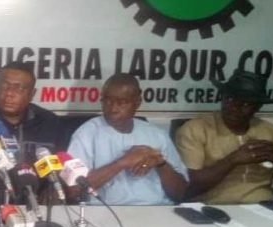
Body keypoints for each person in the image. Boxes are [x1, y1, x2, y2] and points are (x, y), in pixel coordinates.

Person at [175, 69, 273, 204]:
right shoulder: (195, 129)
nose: (235, 107)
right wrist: (233, 160)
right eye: (230, 99)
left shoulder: (272, 132)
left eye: (246, 103)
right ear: (222, 97)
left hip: (263, 207)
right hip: (212, 208)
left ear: (258, 107)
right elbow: (189, 188)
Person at [68, 73, 188, 205]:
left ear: (137, 103)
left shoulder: (156, 134)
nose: (113, 108)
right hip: (107, 213)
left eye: (122, 102)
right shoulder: (87, 133)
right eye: (107, 100)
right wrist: (122, 163)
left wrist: (161, 164)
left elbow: (180, 194)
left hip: (157, 210)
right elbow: (74, 191)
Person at [0, 61, 70, 155]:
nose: (9, 93)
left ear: (32, 94)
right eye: (4, 86)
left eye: (18, 89)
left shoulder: (51, 123)